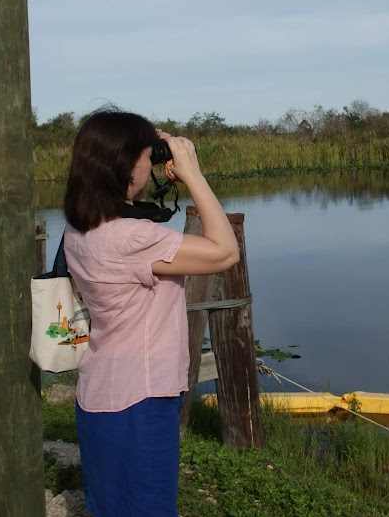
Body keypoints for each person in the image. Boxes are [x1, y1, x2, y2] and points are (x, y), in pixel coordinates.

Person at [62, 108, 239, 517]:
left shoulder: (80, 227)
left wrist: (142, 150)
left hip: (98, 395)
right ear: (126, 166)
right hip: (141, 400)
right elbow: (225, 252)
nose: (151, 161)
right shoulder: (133, 239)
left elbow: (129, 208)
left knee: (109, 508)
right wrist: (192, 174)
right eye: (147, 155)